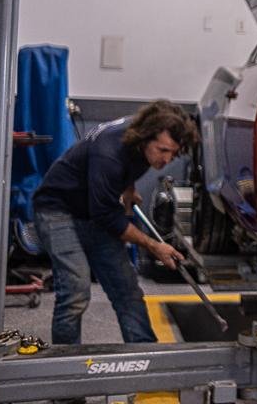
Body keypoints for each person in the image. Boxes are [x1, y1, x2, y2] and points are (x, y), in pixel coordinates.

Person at [32, 100, 199, 344]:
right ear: (145, 138)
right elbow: (107, 216)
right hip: (57, 209)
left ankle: (145, 353)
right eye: (163, 150)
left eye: (173, 153)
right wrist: (154, 246)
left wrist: (128, 187)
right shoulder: (109, 152)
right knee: (76, 291)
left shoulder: (140, 135)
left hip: (92, 210)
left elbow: (127, 165)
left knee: (127, 290)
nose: (166, 159)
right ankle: (66, 358)